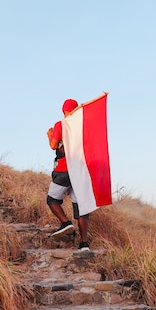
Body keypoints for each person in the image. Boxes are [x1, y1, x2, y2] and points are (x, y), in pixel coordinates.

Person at [46, 98, 90, 251]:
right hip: (80, 170)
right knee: (81, 207)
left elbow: (53, 145)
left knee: (52, 199)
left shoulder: (61, 125)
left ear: (63, 110)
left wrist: (50, 135)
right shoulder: (82, 127)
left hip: (64, 169)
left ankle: (65, 223)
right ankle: (84, 243)